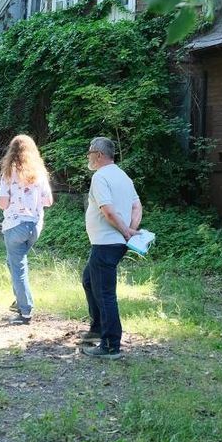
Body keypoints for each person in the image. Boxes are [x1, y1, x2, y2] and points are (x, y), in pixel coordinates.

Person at [78, 136, 141, 360]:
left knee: (105, 294)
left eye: (90, 153)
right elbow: (136, 205)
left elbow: (108, 211)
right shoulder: (123, 176)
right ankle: (97, 328)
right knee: (88, 281)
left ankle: (110, 344)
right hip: (113, 243)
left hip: (107, 243)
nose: (88, 157)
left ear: (99, 154)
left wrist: (126, 231)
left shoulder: (101, 176)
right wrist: (131, 230)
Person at [0, 134, 54, 324]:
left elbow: (3, 204)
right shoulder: (39, 172)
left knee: (18, 268)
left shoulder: (8, 172)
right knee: (12, 262)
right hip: (34, 227)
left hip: (15, 226)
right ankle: (20, 300)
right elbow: (48, 201)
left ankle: (25, 310)